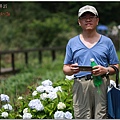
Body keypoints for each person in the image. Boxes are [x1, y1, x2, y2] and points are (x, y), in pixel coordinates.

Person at [63, 5, 119, 119]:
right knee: (82, 116)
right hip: (80, 84)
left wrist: (106, 70)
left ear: (97, 20)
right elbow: (65, 68)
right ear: (79, 22)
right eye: (84, 17)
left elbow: (116, 66)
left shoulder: (107, 42)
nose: (88, 20)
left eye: (91, 17)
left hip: (101, 84)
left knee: (101, 116)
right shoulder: (72, 42)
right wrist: (72, 69)